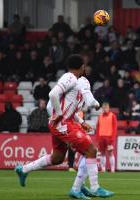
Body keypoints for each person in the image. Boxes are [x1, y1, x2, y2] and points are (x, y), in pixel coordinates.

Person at [15, 54, 114, 198]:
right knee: (90, 150)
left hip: (62, 123)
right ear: (82, 67)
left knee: (58, 158)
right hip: (63, 124)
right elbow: (53, 94)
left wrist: (81, 122)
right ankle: (93, 187)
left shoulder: (74, 85)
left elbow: (67, 108)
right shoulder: (71, 78)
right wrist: (60, 114)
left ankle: (23, 169)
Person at [96, 102, 117, 173]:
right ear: (102, 108)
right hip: (101, 137)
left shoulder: (112, 116)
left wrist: (112, 138)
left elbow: (114, 127)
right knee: (102, 153)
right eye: (104, 108)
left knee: (110, 153)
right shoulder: (100, 116)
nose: (105, 109)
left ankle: (112, 169)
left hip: (109, 137)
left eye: (106, 108)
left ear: (109, 108)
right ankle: (103, 168)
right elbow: (98, 127)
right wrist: (98, 137)